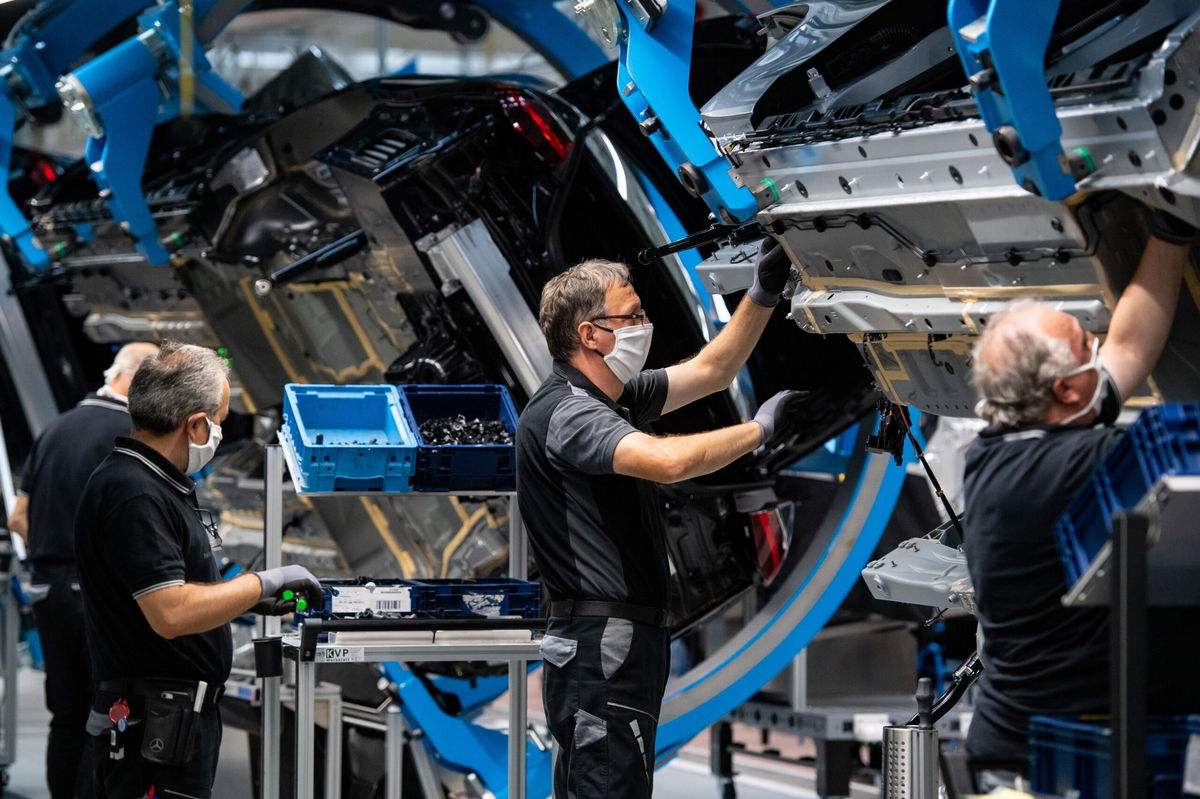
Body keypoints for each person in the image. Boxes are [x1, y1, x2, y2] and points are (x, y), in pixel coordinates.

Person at [516, 246, 799, 799]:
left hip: (620, 643)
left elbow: (712, 372)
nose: (646, 326)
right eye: (633, 316)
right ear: (591, 334)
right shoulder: (568, 413)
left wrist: (762, 294)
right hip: (602, 648)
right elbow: (669, 462)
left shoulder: (612, 398)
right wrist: (759, 432)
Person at [963, 209, 1199, 784]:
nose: (1096, 339)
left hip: (1036, 737)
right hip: (1061, 759)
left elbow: (1128, 347)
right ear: (1066, 390)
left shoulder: (1002, 446)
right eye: (1081, 341)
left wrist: (1170, 233)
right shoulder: (1079, 465)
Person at [73, 341, 323, 798]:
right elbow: (170, 613)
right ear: (194, 424)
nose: (219, 435)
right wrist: (262, 581)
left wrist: (246, 597)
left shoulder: (152, 483)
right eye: (220, 423)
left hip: (170, 724)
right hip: (152, 728)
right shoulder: (136, 494)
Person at [8, 341, 159, 799]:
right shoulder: (130, 436)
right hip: (100, 602)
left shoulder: (56, 428)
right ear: (137, 383)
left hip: (49, 592)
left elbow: (18, 517)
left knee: (67, 716)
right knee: (108, 718)